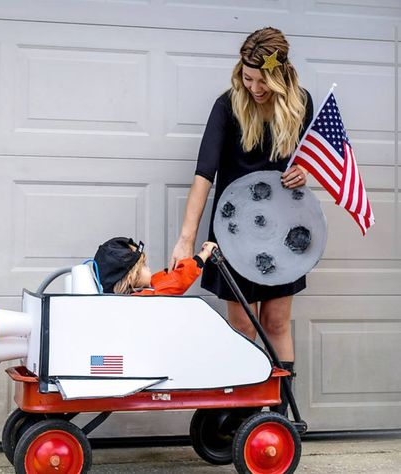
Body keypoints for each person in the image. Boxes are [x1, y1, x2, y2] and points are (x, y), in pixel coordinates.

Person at [169, 27, 313, 415]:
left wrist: (303, 172)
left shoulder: (301, 104)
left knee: (278, 322)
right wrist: (186, 239)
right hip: (235, 232)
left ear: (281, 77)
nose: (254, 87)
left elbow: (304, 159)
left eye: (262, 80)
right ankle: (244, 412)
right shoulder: (228, 106)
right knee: (244, 326)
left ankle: (279, 414)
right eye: (247, 78)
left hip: (283, 231)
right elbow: (205, 173)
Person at [94, 237, 217, 296]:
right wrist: (204, 254)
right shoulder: (145, 298)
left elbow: (164, 279)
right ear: (131, 279)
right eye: (143, 265)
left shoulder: (127, 296)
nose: (148, 268)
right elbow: (178, 280)